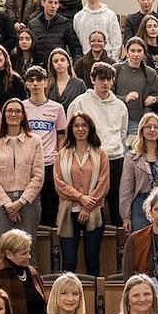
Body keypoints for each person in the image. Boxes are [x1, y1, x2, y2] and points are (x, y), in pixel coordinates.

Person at [67, 62, 128, 226]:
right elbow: (71, 132)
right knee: (92, 203)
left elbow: (122, 132)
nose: (106, 83)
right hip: (90, 158)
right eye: (102, 79)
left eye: (109, 79)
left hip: (115, 158)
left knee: (116, 202)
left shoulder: (120, 106)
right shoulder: (79, 103)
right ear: (93, 79)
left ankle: (118, 246)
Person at [53, 111, 109, 275]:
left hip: (94, 212)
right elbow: (59, 183)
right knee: (69, 262)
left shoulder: (101, 154)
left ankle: (93, 299)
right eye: (76, 125)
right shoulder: (62, 154)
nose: (80, 129)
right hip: (68, 212)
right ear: (71, 129)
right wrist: (80, 198)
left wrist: (87, 207)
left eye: (84, 125)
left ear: (90, 128)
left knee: (92, 261)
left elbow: (103, 183)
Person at [0, 98, 45, 238]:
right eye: (10, 111)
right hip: (1, 202)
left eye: (18, 111)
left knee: (27, 247)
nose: (13, 114)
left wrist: (21, 202)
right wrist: (8, 204)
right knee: (7, 246)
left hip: (28, 201)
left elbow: (38, 176)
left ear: (23, 115)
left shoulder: (35, 140)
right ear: (3, 114)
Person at [23, 67, 66, 227]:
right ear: (27, 84)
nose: (35, 84)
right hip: (28, 163)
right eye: (31, 80)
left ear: (46, 82)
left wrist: (59, 158)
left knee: (50, 207)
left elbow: (61, 135)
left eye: (39, 80)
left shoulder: (57, 108)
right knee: (30, 205)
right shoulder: (21, 107)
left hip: (50, 163)